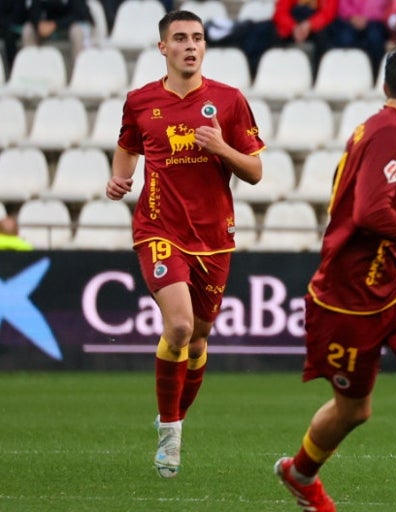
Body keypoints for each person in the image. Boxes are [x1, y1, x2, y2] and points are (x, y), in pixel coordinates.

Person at [274, 45, 396, 512]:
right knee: (354, 410)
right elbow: (367, 213)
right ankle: (300, 474)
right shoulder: (391, 137)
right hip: (347, 298)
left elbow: (358, 212)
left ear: (386, 86)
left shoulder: (379, 127)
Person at [105, 9, 264, 478]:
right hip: (158, 228)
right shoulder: (140, 101)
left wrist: (222, 149)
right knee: (177, 327)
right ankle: (170, 434)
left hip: (214, 236)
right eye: (180, 38)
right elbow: (128, 144)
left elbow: (254, 172)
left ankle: (174, 415)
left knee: (197, 341)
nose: (191, 45)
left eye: (197, 38)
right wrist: (120, 177)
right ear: (163, 48)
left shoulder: (230, 101)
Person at [328, 0, 390, 77]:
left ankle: (375, 76)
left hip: (374, 21)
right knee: (346, 38)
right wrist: (352, 16)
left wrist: (366, 17)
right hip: (350, 20)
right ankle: (347, 75)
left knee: (375, 38)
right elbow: (343, 4)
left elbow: (384, 6)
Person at [22, 0, 94, 59]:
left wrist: (55, 24)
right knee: (28, 29)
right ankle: (31, 69)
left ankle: (79, 72)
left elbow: (80, 14)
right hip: (47, 27)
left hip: (68, 27)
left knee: (77, 31)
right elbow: (33, 11)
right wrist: (38, 24)